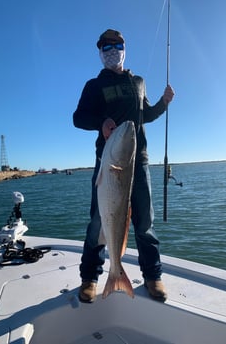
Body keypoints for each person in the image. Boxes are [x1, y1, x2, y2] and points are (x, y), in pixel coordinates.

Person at [73, 29, 174, 303]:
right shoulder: (94, 85)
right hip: (107, 163)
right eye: (106, 48)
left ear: (125, 48)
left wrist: (164, 103)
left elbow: (147, 115)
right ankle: (90, 278)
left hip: (138, 162)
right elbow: (78, 118)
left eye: (116, 46)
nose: (112, 51)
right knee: (98, 221)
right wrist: (101, 122)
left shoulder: (138, 82)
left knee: (144, 221)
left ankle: (153, 276)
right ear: (100, 53)